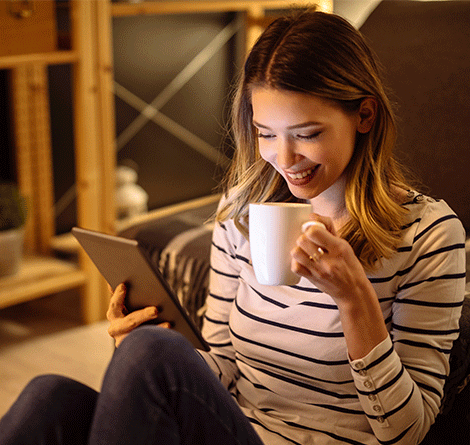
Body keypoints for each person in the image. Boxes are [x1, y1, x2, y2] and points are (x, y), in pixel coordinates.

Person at [0, 8, 466, 445]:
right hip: (232, 428)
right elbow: (223, 364)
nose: (284, 160)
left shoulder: (431, 236)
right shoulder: (243, 212)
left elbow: (408, 433)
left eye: (307, 134)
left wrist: (356, 301)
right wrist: (137, 346)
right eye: (266, 134)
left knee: (150, 358)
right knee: (49, 396)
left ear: (364, 115)